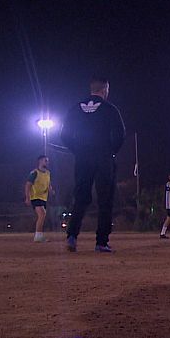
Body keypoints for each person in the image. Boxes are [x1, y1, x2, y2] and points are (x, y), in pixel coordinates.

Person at [60, 76, 125, 253]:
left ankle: (72, 236)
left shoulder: (75, 108)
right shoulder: (110, 109)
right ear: (104, 90)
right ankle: (101, 242)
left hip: (82, 158)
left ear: (91, 90)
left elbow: (64, 134)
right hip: (103, 158)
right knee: (105, 200)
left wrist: (77, 150)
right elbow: (120, 134)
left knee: (80, 197)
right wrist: (111, 151)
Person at [24, 155, 53, 242]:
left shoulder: (48, 173)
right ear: (40, 161)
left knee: (42, 216)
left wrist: (51, 190)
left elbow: (49, 183)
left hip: (44, 198)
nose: (47, 162)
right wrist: (27, 197)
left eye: (47, 161)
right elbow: (28, 185)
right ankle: (38, 236)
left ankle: (39, 235)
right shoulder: (34, 172)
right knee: (42, 214)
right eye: (45, 160)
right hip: (35, 197)